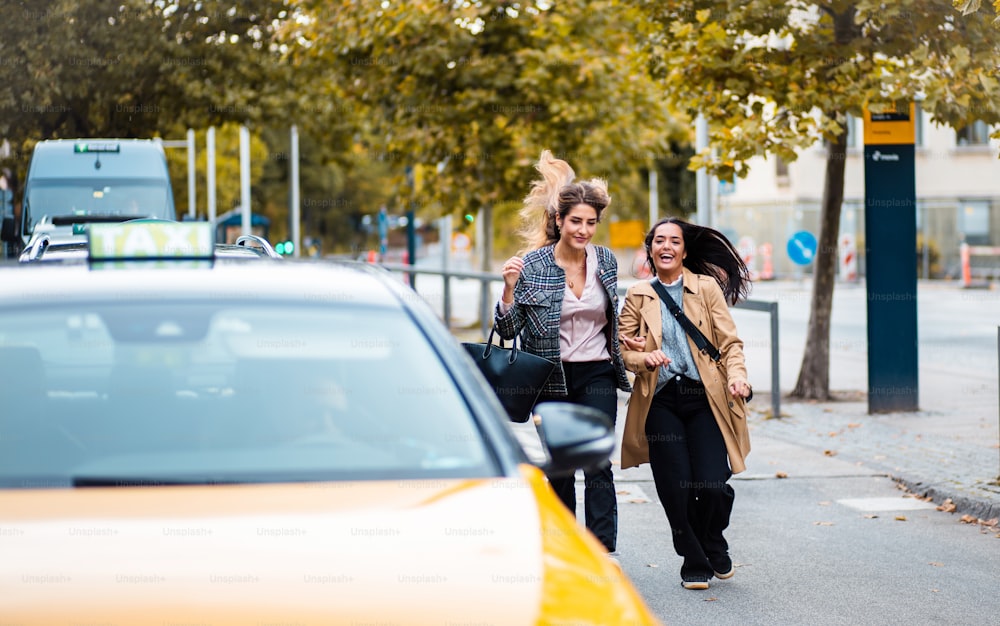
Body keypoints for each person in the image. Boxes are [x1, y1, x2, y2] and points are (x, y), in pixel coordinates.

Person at [494, 150, 631, 554]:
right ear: (559, 221)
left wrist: (629, 341)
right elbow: (506, 329)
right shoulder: (532, 264)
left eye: (591, 223)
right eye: (576, 222)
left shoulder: (605, 260)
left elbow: (611, 316)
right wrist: (507, 290)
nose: (584, 230)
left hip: (597, 374)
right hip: (549, 378)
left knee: (599, 463)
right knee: (561, 468)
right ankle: (566, 551)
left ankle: (604, 551)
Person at [618, 217, 752, 590]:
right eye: (659, 240)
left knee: (711, 484)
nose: (666, 247)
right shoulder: (638, 294)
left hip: (704, 398)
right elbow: (622, 351)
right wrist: (642, 359)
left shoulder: (706, 288)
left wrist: (738, 376)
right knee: (674, 487)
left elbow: (729, 344)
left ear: (684, 250)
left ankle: (713, 538)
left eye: (674, 241)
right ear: (651, 250)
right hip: (660, 400)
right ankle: (693, 559)